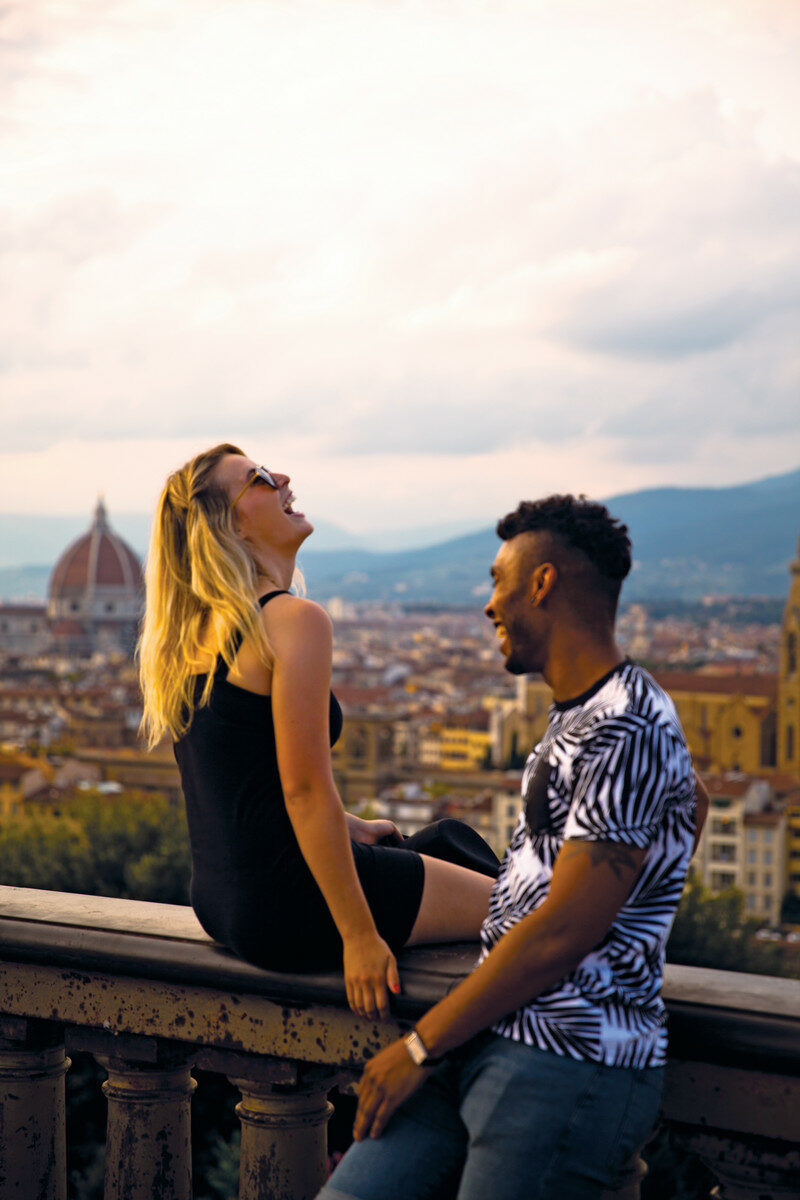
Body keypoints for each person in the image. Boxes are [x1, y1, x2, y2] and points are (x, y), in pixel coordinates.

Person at [320, 494, 708, 1200]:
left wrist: (418, 1045)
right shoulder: (597, 716)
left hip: (564, 1063)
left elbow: (563, 929)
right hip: (489, 1038)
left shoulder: (624, 725)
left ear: (543, 583)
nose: (489, 605)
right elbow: (693, 798)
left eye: (499, 581)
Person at [138, 444, 496, 1022]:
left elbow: (241, 780)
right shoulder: (292, 620)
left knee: (447, 841)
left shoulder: (192, 636)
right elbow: (304, 791)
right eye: (258, 479)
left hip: (222, 902)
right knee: (534, 911)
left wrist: (351, 828)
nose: (281, 477)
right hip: (294, 902)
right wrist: (358, 936)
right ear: (229, 524)